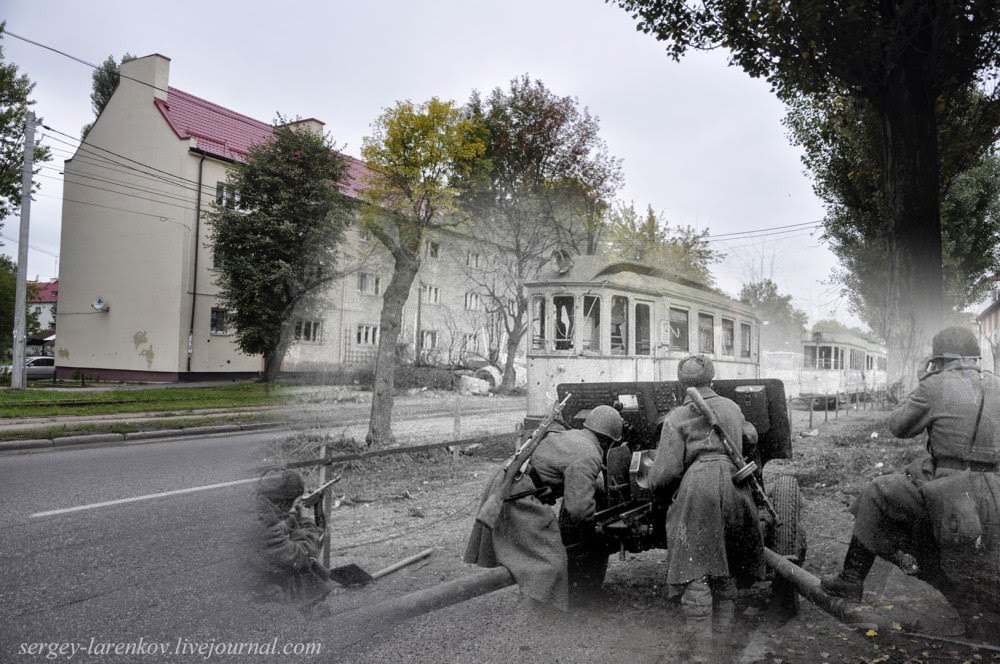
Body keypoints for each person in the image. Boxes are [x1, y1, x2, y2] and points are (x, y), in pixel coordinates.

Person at [822, 326, 1000, 607]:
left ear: (938, 360)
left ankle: (850, 579)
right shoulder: (997, 384)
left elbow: (898, 427)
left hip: (951, 487)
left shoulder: (934, 385)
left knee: (877, 492)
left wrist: (922, 382)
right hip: (994, 490)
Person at [647, 355, 765, 653]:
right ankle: (723, 647)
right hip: (737, 486)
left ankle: (701, 653)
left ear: (681, 382)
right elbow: (747, 441)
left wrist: (655, 489)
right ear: (712, 378)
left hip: (698, 488)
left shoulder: (677, 416)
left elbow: (666, 473)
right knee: (725, 568)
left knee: (695, 570)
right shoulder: (733, 408)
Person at [464, 404, 624, 609]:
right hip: (517, 494)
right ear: (608, 440)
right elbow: (578, 509)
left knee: (536, 549)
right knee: (552, 560)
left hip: (508, 482)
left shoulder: (571, 435)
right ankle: (553, 608)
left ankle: (540, 594)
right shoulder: (589, 454)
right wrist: (592, 534)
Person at [254, 469, 330, 613]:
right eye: (293, 501)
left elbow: (276, 529)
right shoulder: (264, 526)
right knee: (308, 575)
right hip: (259, 597)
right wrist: (306, 519)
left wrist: (290, 519)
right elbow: (301, 555)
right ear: (282, 503)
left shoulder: (256, 509)